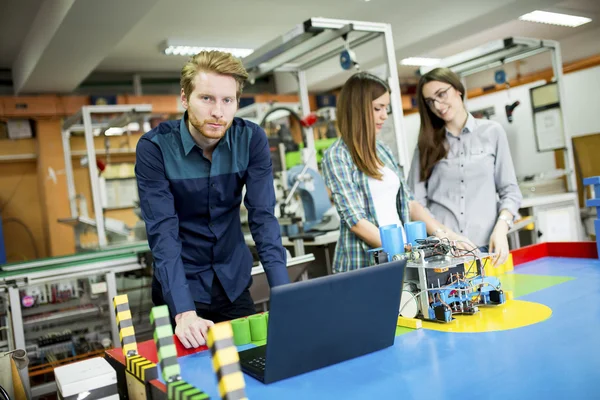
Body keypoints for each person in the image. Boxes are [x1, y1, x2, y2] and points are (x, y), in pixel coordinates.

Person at [135, 51, 290, 349]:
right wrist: (183, 312)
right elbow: (163, 232)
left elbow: (263, 219)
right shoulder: (154, 149)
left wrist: (285, 294)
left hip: (233, 284)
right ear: (185, 97)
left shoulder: (251, 140)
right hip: (181, 289)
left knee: (254, 370)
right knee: (190, 387)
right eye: (207, 98)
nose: (218, 111)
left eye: (227, 100)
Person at [321, 72, 474, 273]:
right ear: (357, 110)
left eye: (386, 108)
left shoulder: (382, 150)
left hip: (401, 258)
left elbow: (410, 203)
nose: (384, 115)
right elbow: (356, 222)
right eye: (378, 108)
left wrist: (446, 235)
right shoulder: (337, 156)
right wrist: (402, 252)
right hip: (366, 266)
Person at [408, 67, 522, 266]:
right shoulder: (426, 145)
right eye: (430, 101)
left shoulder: (493, 132)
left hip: (487, 249)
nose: (438, 105)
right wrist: (448, 236)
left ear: (458, 89)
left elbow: (510, 191)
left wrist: (502, 227)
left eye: (441, 94)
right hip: (442, 252)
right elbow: (415, 204)